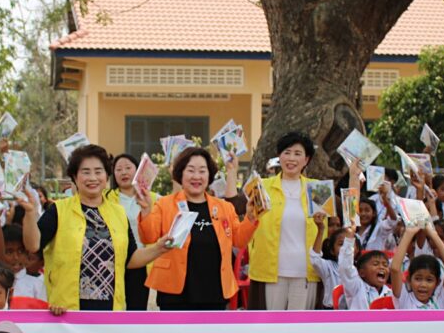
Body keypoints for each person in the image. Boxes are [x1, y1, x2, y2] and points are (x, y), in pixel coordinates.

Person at [20, 145, 171, 312]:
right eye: (85, 172)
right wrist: (30, 213)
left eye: (98, 171)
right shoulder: (58, 210)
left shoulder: (118, 212)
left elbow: (131, 258)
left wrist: (159, 248)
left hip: (110, 311)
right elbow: (33, 245)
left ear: (107, 176)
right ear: (75, 177)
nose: (93, 177)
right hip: (66, 311)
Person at [137, 147, 250, 311]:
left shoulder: (224, 207)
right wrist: (146, 211)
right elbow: (148, 237)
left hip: (215, 292)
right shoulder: (165, 204)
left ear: (209, 176)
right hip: (174, 293)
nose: (196, 176)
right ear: (180, 174)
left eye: (202, 171)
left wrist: (252, 217)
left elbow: (239, 239)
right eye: (191, 170)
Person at [244, 132, 321, 310]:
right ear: (279, 156)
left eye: (297, 153)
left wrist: (355, 178)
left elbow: (344, 218)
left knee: (300, 331)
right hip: (269, 271)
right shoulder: (261, 187)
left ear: (306, 159)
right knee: (270, 328)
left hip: (306, 272)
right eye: (287, 152)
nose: (291, 158)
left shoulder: (316, 189)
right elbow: (247, 219)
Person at [105, 153, 155, 310]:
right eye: (118, 169)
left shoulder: (152, 198)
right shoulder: (105, 198)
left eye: (128, 168)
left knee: (137, 308)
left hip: (141, 260)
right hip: (114, 262)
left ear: (138, 170)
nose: (123, 172)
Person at [388, 223, 444, 310]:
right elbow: (395, 268)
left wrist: (433, 234)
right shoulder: (404, 299)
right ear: (409, 280)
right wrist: (409, 233)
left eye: (429, 280)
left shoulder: (441, 302)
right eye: (418, 279)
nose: (423, 285)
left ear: (437, 283)